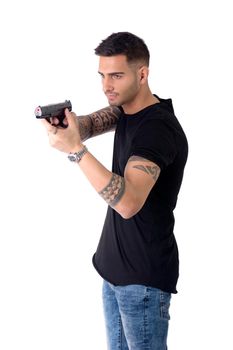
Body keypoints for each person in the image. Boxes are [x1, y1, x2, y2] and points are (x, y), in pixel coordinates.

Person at [42, 32, 188, 350]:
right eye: (103, 75)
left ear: (142, 74)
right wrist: (66, 125)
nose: (107, 85)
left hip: (143, 282)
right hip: (113, 270)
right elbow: (91, 124)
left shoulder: (157, 129)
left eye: (116, 75)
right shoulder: (127, 109)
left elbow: (128, 202)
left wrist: (77, 150)